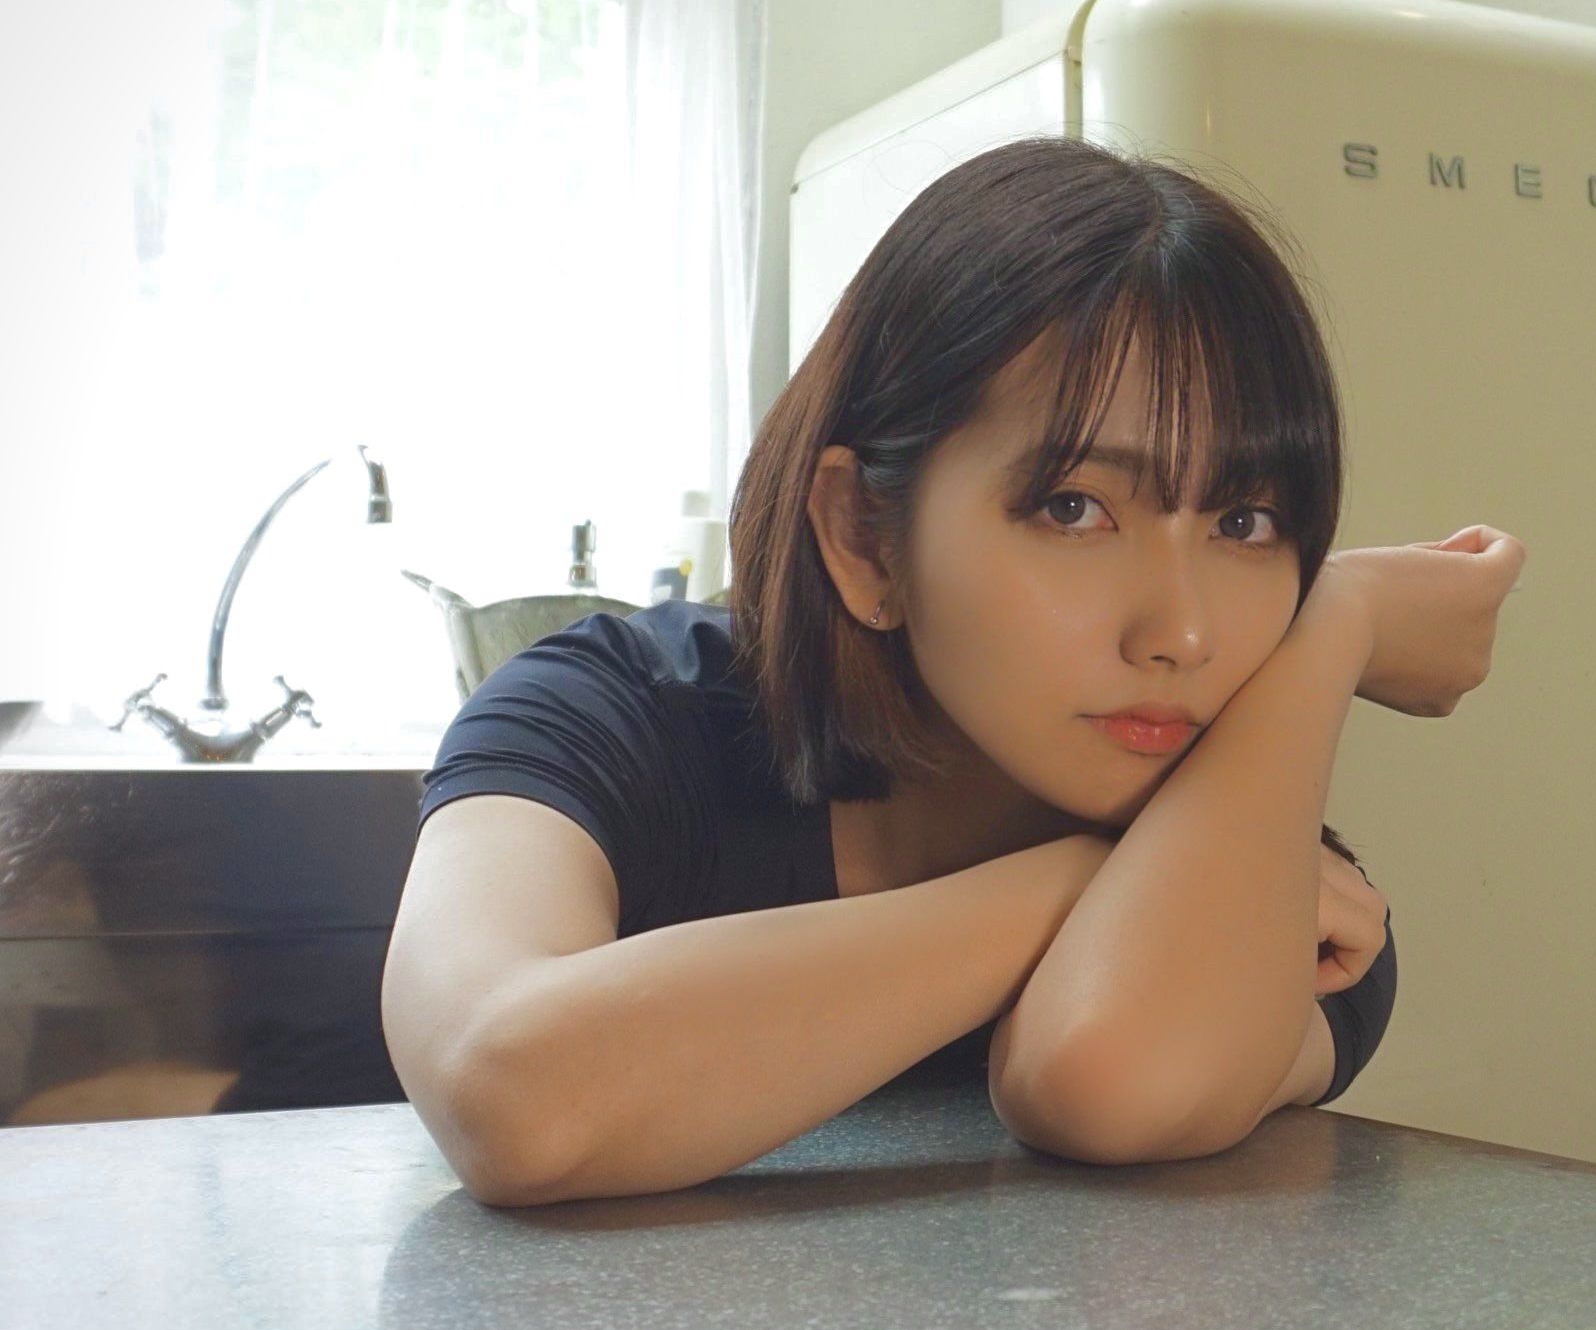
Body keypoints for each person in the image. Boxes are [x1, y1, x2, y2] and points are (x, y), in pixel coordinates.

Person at [382, 134, 1524, 1207]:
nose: (1181, 633)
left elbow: (1107, 1085)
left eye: (1247, 523)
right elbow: (511, 1094)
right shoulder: (613, 712)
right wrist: (1079, 884)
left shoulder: (1287, 886)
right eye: (1073, 508)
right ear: (865, 535)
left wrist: (1336, 615)